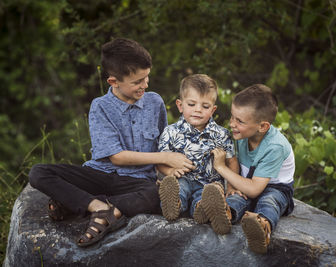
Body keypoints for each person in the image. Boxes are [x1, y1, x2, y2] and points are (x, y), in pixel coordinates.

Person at [29, 38, 195, 247]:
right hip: (99, 175)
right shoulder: (100, 107)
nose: (145, 85)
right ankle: (100, 207)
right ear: (113, 82)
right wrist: (166, 157)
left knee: (156, 194)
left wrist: (168, 169)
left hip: (136, 182)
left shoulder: (155, 102)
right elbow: (116, 157)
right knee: (39, 172)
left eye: (147, 78)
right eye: (137, 82)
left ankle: (81, 204)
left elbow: (161, 145)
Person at [210, 84, 295, 254]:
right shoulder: (241, 134)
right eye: (232, 117)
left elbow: (255, 190)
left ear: (262, 126)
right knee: (237, 198)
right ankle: (226, 214)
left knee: (268, 202)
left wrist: (220, 167)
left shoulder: (275, 146)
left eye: (239, 121)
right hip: (246, 183)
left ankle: (262, 227)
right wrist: (232, 188)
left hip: (275, 188)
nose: (232, 124)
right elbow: (236, 168)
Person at [157, 74, 239, 235]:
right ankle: (175, 205)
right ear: (180, 106)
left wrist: (231, 186)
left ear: (213, 109)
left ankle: (203, 209)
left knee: (206, 196)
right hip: (182, 178)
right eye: (192, 104)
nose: (198, 110)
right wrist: (169, 172)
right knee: (178, 188)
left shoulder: (222, 135)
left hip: (209, 185)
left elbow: (232, 162)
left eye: (205, 106)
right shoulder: (171, 132)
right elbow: (161, 160)